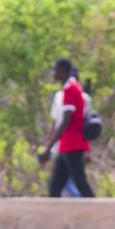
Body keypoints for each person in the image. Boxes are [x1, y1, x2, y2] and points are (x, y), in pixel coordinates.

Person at [40, 58, 94, 198]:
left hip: (73, 144)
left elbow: (65, 121)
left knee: (80, 183)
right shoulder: (70, 88)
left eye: (55, 70)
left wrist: (49, 147)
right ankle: (54, 217)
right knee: (55, 186)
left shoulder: (70, 89)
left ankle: (98, 213)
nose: (53, 73)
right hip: (67, 145)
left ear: (62, 71)